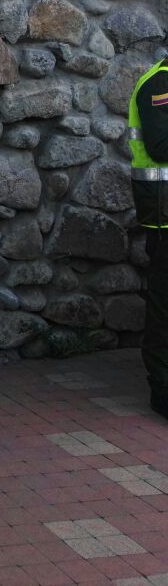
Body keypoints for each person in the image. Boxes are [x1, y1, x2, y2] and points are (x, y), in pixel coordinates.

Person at [128, 58, 168, 419]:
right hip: (165, 216)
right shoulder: (160, 84)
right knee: (164, 307)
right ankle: (163, 392)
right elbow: (160, 145)